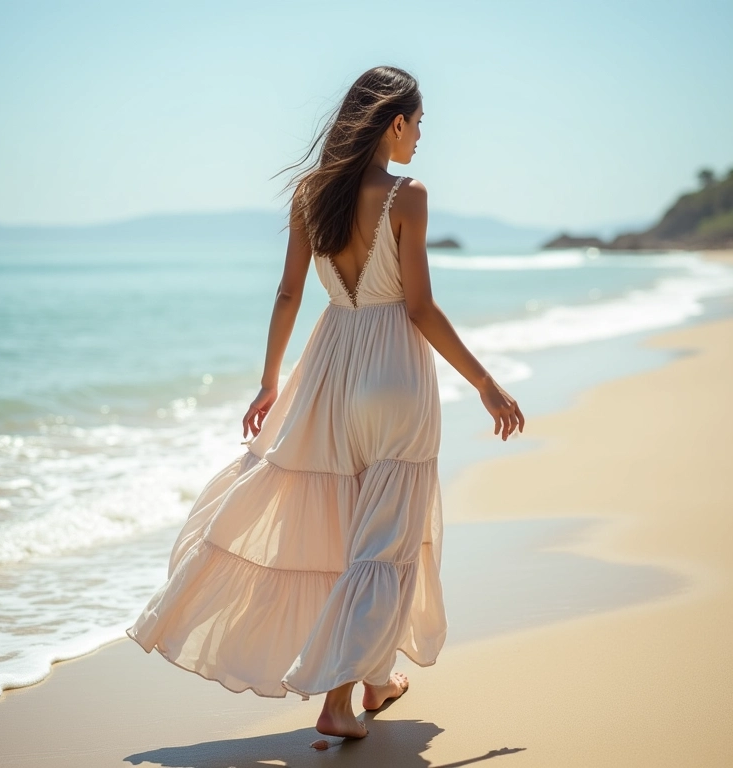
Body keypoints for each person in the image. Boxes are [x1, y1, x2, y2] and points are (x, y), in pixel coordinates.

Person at [126, 64, 524, 741]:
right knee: (383, 544)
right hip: (395, 371)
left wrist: (269, 379)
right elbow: (420, 306)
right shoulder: (409, 196)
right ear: (394, 122)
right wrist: (485, 381)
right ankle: (339, 700)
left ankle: (375, 679)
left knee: (353, 536)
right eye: (419, 123)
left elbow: (288, 294)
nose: (422, 137)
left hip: (331, 371)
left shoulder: (311, 195)